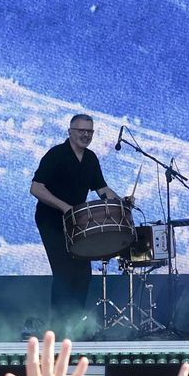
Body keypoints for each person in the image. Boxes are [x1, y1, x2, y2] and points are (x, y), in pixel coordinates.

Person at [29, 114, 127, 333]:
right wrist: (65, 207)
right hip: (51, 220)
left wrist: (121, 203)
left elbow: (102, 189)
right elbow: (36, 188)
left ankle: (73, 324)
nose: (85, 135)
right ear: (70, 132)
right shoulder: (56, 155)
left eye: (89, 131)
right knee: (64, 272)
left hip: (77, 222)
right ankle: (57, 328)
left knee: (83, 274)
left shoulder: (91, 159)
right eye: (81, 131)